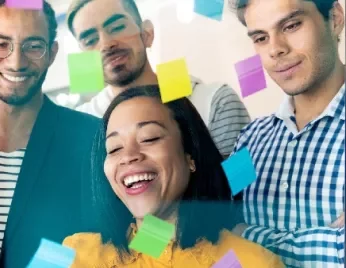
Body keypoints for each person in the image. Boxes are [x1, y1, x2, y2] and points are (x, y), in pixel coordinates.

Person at [0, 0, 107, 267]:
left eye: (33, 46)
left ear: (52, 53)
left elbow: (128, 232)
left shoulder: (89, 138)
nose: (16, 62)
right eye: (1, 44)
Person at [63, 85, 284, 267]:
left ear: (190, 155)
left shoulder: (250, 262)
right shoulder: (71, 252)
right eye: (113, 148)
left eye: (149, 138)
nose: (128, 156)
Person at [230, 0, 345, 266]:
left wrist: (246, 237)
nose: (276, 49)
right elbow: (216, 232)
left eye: (292, 25)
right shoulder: (249, 141)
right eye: (260, 37)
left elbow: (234, 239)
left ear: (335, 18)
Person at [66, 0, 251, 157]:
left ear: (147, 33)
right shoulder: (79, 125)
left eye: (117, 28)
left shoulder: (214, 102)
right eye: (90, 41)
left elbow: (243, 189)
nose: (106, 44)